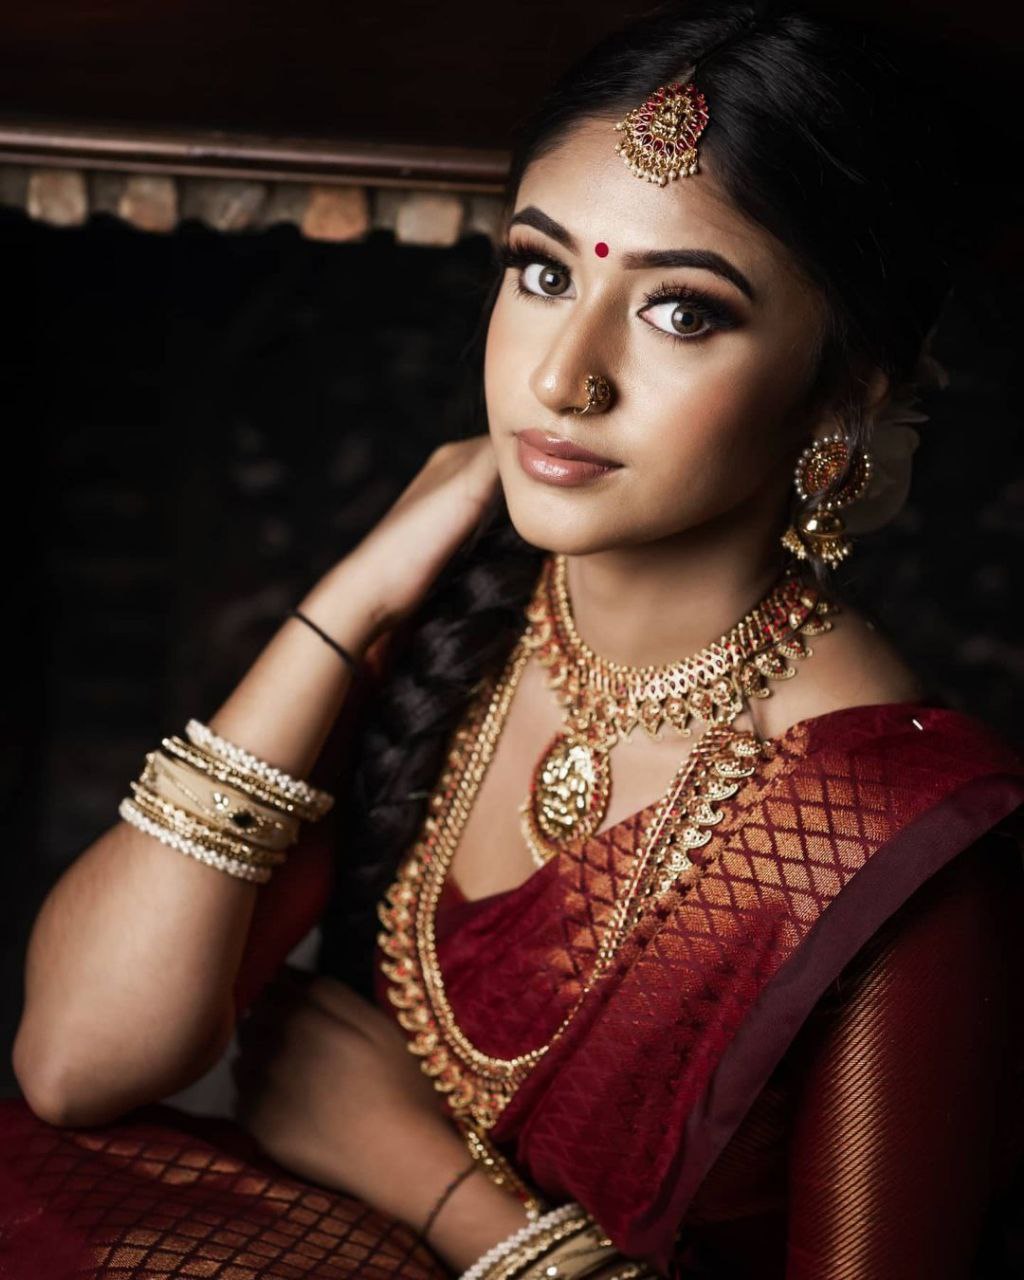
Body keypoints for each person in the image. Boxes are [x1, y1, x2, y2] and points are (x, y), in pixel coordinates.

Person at [3, 2, 1023, 1276]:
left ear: (847, 383)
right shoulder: (457, 626)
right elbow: (77, 1057)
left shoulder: (895, 835)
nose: (562, 378)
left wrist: (431, 1185)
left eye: (682, 312)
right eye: (544, 273)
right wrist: (351, 599)